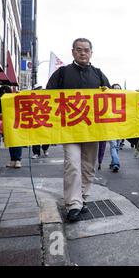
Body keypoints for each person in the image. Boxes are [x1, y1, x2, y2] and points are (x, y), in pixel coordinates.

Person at [46, 38, 110, 222]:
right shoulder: (62, 73)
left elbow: (112, 98)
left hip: (93, 130)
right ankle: (73, 204)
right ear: (73, 51)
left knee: (88, 167)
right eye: (79, 50)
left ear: (91, 53)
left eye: (86, 50)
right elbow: (46, 97)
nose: (83, 53)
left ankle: (83, 198)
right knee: (72, 165)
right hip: (69, 130)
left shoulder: (99, 74)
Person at [108, 83, 123, 173]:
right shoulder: (108, 101)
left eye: (119, 88)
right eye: (115, 88)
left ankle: (113, 162)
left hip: (120, 128)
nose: (117, 90)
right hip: (111, 127)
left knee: (116, 146)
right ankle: (116, 163)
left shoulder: (124, 100)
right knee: (114, 146)